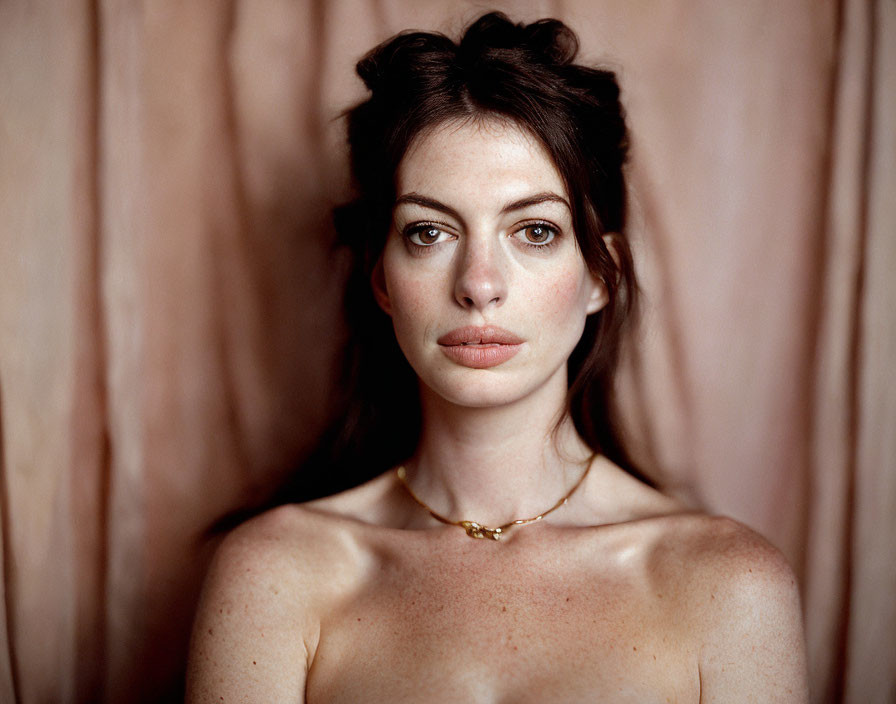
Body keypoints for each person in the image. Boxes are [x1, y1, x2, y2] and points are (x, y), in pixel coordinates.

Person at [186, 12, 808, 703]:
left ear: (601, 273)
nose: (479, 285)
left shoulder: (728, 585)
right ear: (380, 278)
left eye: (535, 230)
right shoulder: (275, 572)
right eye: (429, 232)